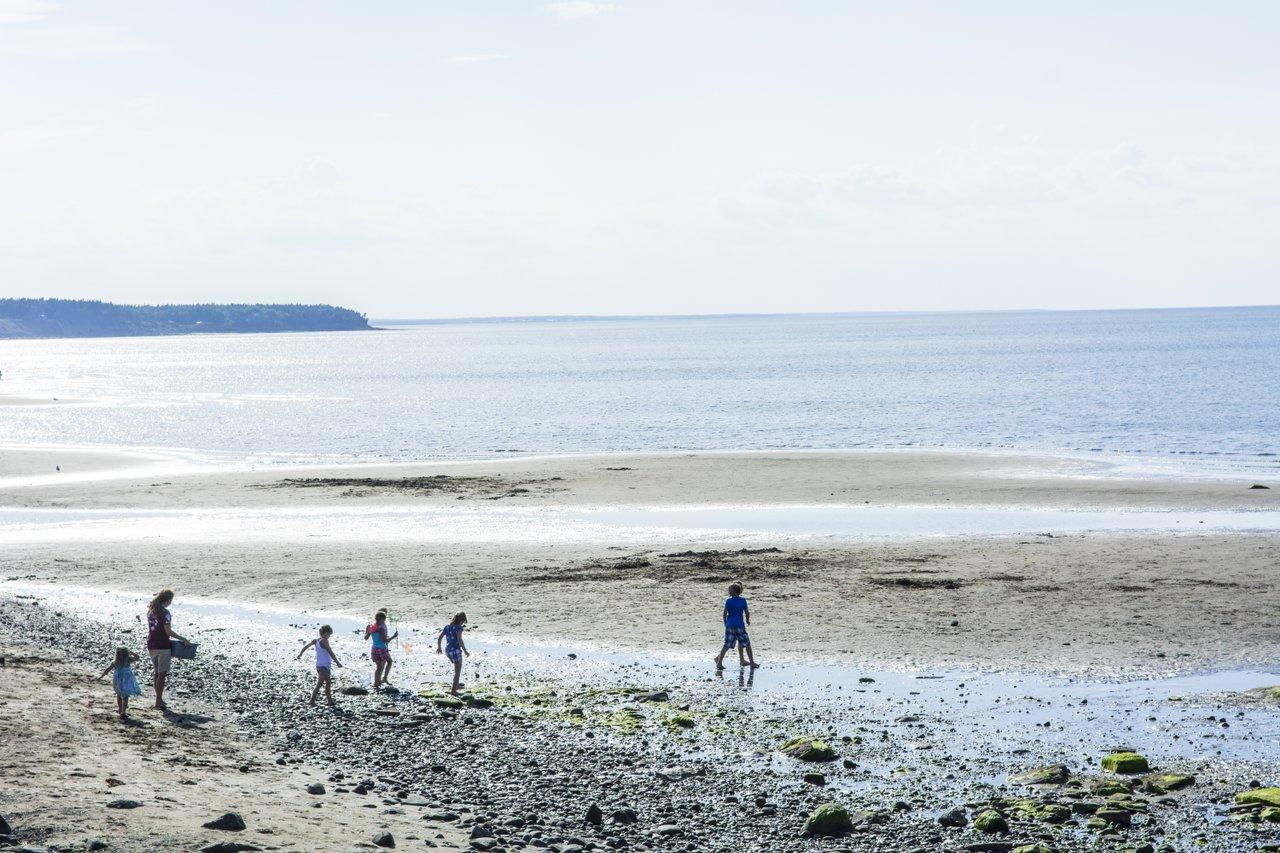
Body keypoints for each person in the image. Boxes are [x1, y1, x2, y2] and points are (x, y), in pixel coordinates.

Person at [146, 589, 190, 710]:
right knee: (162, 673)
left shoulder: (151, 611)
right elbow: (168, 632)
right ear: (168, 600)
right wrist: (183, 639)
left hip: (151, 643)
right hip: (163, 645)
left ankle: (158, 699)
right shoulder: (165, 613)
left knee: (157, 672)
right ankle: (158, 700)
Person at [714, 581, 758, 670]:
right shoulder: (742, 600)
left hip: (729, 625)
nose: (728, 591)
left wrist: (725, 623)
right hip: (739, 626)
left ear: (734, 591)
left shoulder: (728, 601)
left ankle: (719, 662)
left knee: (726, 645)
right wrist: (747, 620)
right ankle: (752, 662)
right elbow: (746, 612)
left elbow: (724, 613)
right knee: (747, 644)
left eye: (729, 590)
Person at [296, 624, 342, 706]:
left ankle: (329, 701)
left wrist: (300, 654)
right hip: (323, 667)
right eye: (329, 634)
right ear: (325, 633)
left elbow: (306, 647)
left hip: (321, 665)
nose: (329, 636)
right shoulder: (324, 640)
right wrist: (337, 662)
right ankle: (312, 701)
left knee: (328, 683)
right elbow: (330, 652)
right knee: (319, 684)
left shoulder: (316, 640)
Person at [98, 646, 142, 718]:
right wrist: (131, 652)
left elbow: (108, 669)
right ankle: (123, 711)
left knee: (119, 694)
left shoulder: (115, 662)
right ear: (127, 654)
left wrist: (101, 676)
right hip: (126, 680)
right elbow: (137, 657)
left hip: (118, 681)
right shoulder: (128, 660)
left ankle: (120, 709)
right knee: (125, 696)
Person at [436, 612, 469, 695]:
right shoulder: (459, 628)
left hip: (448, 651)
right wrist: (465, 650)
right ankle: (453, 691)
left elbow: (440, 638)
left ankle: (457, 685)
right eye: (463, 621)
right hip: (456, 651)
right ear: (461, 620)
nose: (463, 623)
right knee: (458, 671)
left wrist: (439, 647)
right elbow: (459, 640)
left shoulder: (447, 627)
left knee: (456, 667)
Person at [364, 610, 397, 690]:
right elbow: (384, 640)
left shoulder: (370, 626)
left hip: (374, 649)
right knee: (389, 661)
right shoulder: (381, 628)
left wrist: (368, 632)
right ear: (382, 619)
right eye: (384, 620)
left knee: (379, 667)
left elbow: (366, 638)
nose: (384, 622)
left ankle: (376, 683)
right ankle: (384, 678)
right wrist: (393, 636)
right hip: (382, 648)